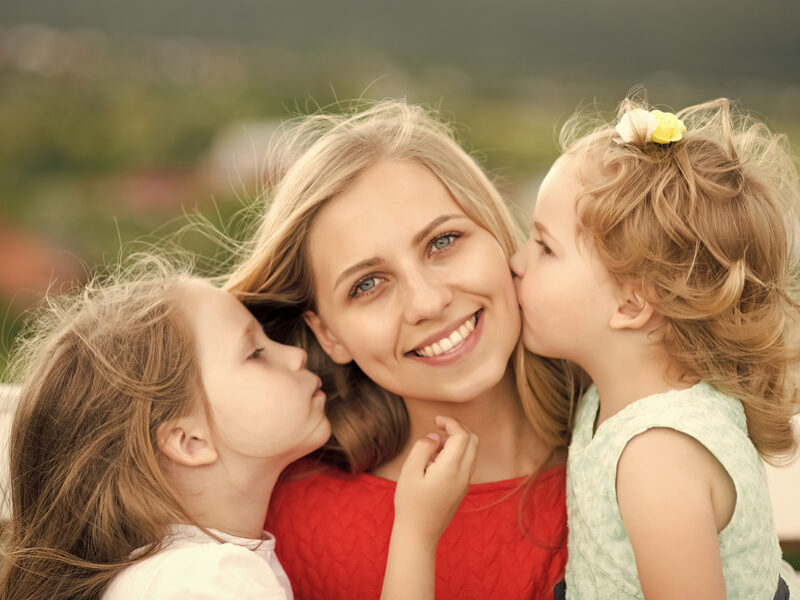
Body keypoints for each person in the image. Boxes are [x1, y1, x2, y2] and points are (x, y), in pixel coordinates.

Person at [225, 100, 578, 600]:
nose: (428, 303)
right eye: (368, 284)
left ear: (498, 236)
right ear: (329, 335)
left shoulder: (643, 456)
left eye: (443, 241)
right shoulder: (281, 530)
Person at [0, 258, 477, 600]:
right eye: (255, 353)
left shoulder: (185, 572)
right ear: (189, 441)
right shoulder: (206, 582)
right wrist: (417, 531)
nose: (294, 355)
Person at [510, 96, 800, 599]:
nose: (516, 261)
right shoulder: (621, 394)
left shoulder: (658, 460)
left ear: (631, 303)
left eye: (544, 247)